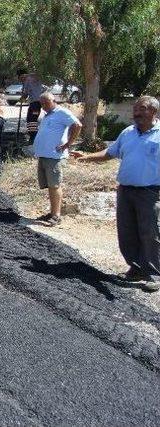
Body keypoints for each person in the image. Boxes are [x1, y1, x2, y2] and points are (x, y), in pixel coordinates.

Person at [71, 96, 160, 292]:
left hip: (150, 192)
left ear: (153, 112)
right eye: (135, 109)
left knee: (149, 233)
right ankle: (135, 268)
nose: (136, 113)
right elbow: (110, 153)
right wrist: (86, 157)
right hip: (125, 191)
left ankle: (154, 274)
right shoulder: (128, 133)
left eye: (142, 109)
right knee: (126, 231)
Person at [33, 92, 82, 226]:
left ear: (54, 101)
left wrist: (68, 144)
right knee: (50, 185)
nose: (43, 106)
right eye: (41, 104)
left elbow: (77, 125)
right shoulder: (47, 115)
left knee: (55, 185)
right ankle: (52, 212)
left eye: (46, 103)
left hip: (54, 156)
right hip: (44, 155)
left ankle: (56, 216)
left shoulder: (62, 112)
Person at [18, 70, 45, 142]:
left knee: (32, 119)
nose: (21, 80)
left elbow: (25, 94)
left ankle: (33, 137)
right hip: (36, 103)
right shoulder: (32, 77)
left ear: (22, 76)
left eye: (20, 78)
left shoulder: (27, 80)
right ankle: (33, 136)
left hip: (35, 104)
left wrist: (21, 99)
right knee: (31, 119)